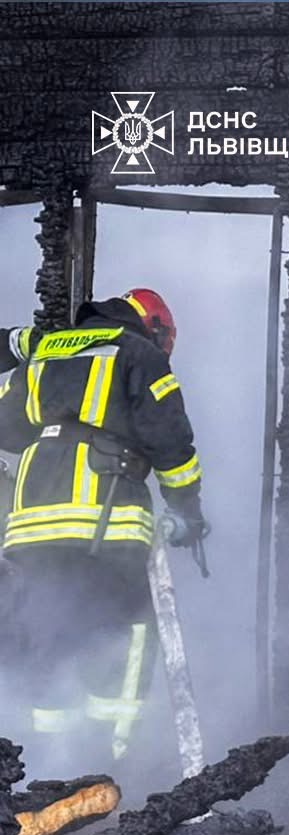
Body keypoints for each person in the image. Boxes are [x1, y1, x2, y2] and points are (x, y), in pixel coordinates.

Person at [0, 288, 207, 772]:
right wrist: (187, 510)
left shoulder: (47, 351)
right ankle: (112, 764)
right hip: (104, 522)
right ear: (153, 326)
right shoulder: (139, 353)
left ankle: (40, 768)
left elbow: (4, 424)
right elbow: (170, 440)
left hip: (31, 526)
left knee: (50, 635)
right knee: (129, 634)